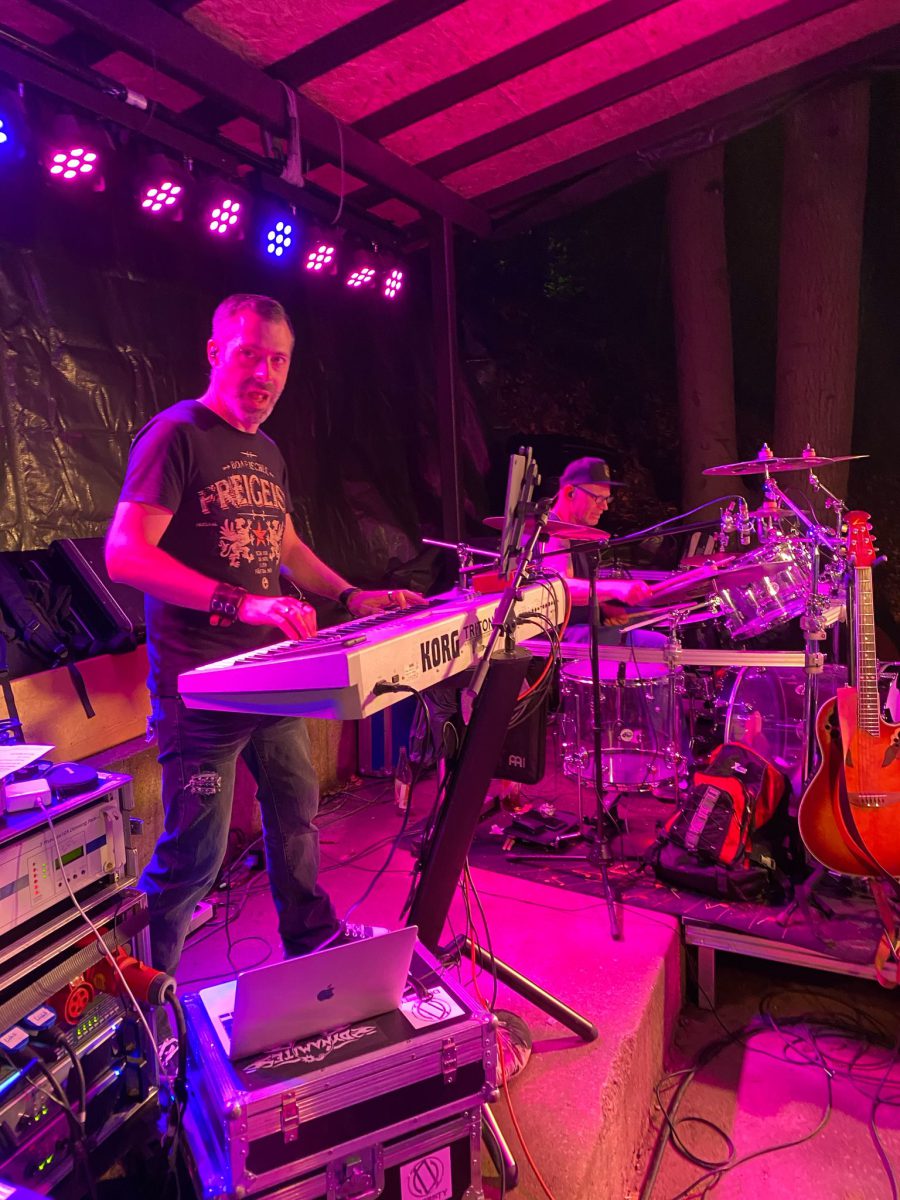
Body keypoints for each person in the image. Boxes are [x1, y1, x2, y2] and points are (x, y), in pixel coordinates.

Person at [105, 293, 422, 973]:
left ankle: (311, 943)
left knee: (296, 817)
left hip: (272, 678)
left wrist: (350, 595)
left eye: (278, 361)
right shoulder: (176, 434)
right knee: (194, 857)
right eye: (249, 355)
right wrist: (240, 603)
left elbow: (286, 546)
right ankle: (139, 994)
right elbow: (125, 554)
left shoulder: (267, 451)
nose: (264, 373)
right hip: (202, 687)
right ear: (216, 353)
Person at [543, 456, 654, 640]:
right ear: (570, 492)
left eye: (607, 499)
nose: (605, 507)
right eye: (598, 498)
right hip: (560, 635)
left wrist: (604, 606)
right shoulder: (550, 531)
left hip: (585, 624)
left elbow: (584, 588)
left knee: (652, 622)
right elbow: (559, 588)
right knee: (660, 643)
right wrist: (615, 589)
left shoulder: (581, 534)